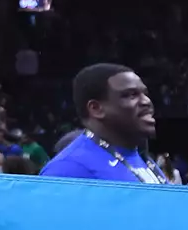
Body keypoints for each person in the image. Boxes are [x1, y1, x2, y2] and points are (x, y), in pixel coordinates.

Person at [40, 65, 169, 184]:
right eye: (131, 95)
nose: (146, 101)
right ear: (96, 109)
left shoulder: (139, 156)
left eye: (145, 94)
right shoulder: (68, 169)